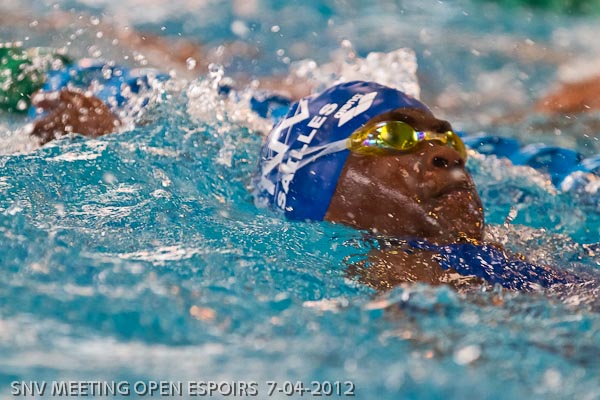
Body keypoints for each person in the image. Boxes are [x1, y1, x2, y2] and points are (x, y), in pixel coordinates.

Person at [253, 80, 583, 291]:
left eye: (447, 138)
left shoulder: (520, 251)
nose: (449, 154)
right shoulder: (404, 280)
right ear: (317, 189)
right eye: (393, 136)